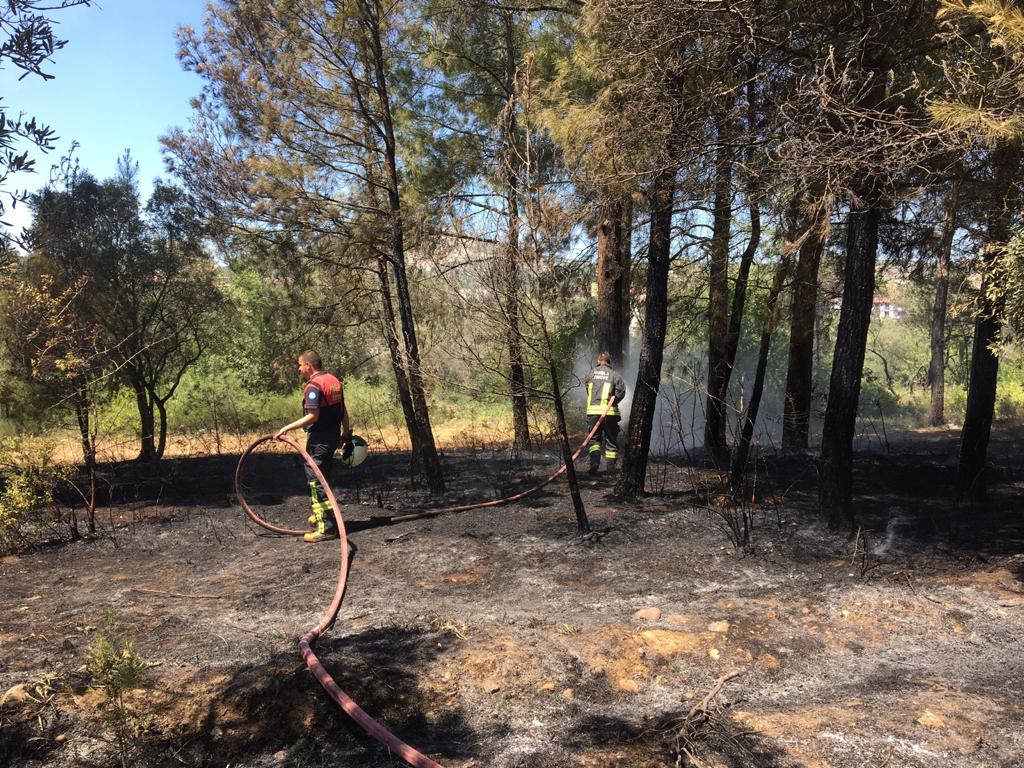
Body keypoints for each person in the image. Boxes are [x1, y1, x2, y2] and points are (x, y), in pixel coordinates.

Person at [275, 350, 353, 543]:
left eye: (300, 365)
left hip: (320, 440)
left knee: (316, 480)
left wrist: (286, 428)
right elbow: (343, 410)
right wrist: (345, 433)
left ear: (308, 366)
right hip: (332, 436)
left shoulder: (314, 386)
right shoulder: (333, 381)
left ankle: (326, 528)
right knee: (322, 477)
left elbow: (313, 416)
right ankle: (322, 516)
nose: (299, 369)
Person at [583, 351, 626, 475]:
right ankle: (610, 468)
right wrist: (613, 401)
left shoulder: (590, 374)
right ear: (609, 362)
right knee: (611, 439)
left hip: (593, 412)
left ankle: (594, 464)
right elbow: (620, 393)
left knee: (594, 440)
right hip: (610, 413)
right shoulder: (615, 375)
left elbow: (588, 390)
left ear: (598, 361)